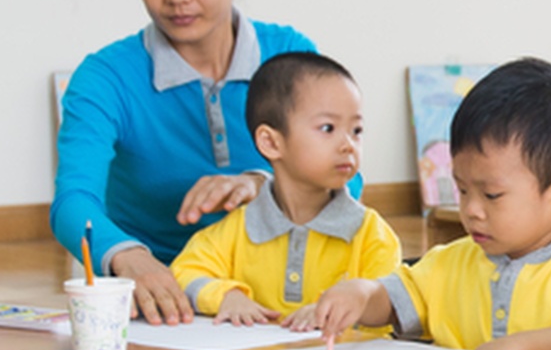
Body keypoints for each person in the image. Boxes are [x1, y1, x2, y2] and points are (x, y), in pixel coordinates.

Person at [51, 0, 341, 324]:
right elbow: (74, 201)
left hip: (282, 289)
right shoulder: (104, 78)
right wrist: (130, 259)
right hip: (165, 297)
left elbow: (346, 176)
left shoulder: (289, 56)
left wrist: (265, 183)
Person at [303, 58, 551, 350]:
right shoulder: (449, 263)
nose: (472, 209)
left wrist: (520, 348)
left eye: (491, 195)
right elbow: (392, 301)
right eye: (462, 191)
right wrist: (362, 295)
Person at [168, 53, 401, 331]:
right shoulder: (236, 230)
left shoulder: (373, 235)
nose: (348, 144)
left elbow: (391, 300)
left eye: (356, 130)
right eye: (328, 128)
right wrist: (227, 297)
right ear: (271, 143)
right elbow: (182, 274)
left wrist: (340, 308)